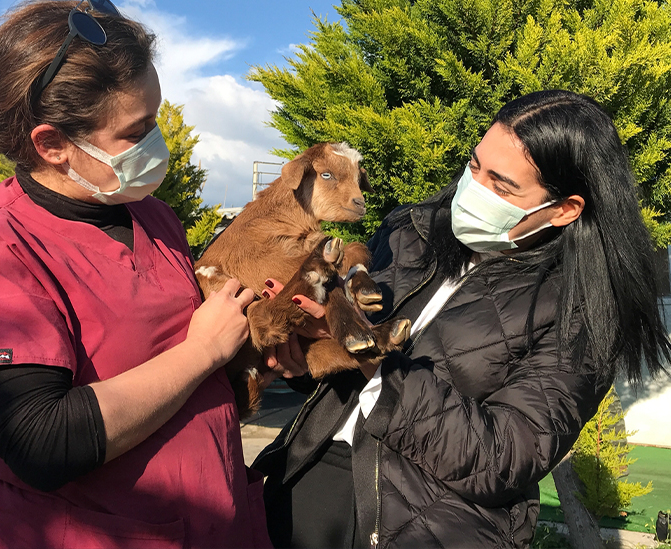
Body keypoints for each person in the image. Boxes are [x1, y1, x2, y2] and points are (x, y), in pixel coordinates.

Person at [0, 0, 272, 548]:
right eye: (136, 132)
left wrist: (258, 348)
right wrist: (201, 351)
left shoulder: (151, 216)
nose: (157, 144)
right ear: (53, 144)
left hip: (213, 523)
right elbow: (42, 441)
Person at [253, 90, 671, 549]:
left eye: (502, 185)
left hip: (424, 525)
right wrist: (304, 358)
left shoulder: (584, 311)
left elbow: (504, 458)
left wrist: (370, 355)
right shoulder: (409, 229)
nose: (474, 189)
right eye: (474, 166)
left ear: (565, 209)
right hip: (302, 481)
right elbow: (336, 370)